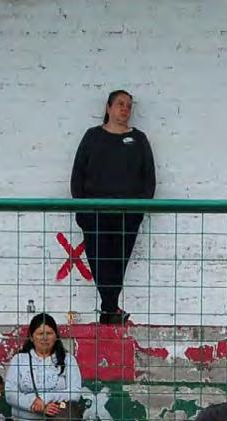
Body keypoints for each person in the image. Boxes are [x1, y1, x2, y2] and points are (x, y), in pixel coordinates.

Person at [71, 89, 156, 324]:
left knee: (119, 261)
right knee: (98, 260)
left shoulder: (139, 139)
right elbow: (78, 174)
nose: (125, 109)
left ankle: (109, 309)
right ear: (108, 107)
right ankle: (110, 309)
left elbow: (149, 178)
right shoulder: (92, 136)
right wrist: (82, 209)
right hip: (94, 212)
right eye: (120, 103)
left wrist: (139, 211)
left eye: (129, 105)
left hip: (127, 214)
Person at [2, 313, 85, 421]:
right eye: (40, 333)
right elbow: (10, 394)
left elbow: (75, 392)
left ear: (56, 336)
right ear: (31, 337)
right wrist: (33, 404)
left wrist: (46, 400)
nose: (45, 338)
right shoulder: (19, 360)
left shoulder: (68, 360)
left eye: (49, 333)